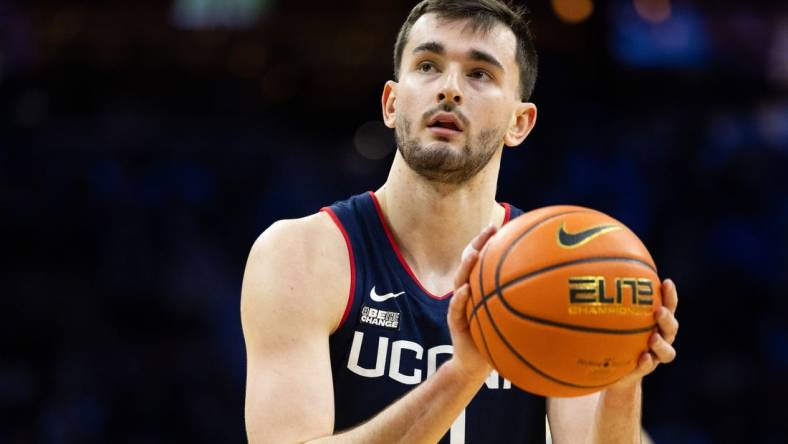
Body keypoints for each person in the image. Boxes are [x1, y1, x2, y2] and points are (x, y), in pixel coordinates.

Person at [241, 1, 679, 442]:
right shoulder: (300, 256)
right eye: (428, 65)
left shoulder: (564, 271)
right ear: (391, 103)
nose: (449, 88)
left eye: (480, 74)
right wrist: (462, 375)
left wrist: (622, 382)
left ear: (520, 124)